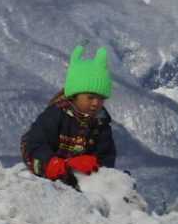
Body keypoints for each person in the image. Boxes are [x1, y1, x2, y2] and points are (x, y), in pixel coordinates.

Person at [22, 44, 118, 189]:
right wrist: (58, 165)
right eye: (90, 97)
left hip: (81, 185)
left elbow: (106, 157)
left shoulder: (100, 124)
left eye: (101, 98)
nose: (96, 103)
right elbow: (33, 144)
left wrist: (98, 172)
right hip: (46, 183)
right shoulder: (55, 115)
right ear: (74, 95)